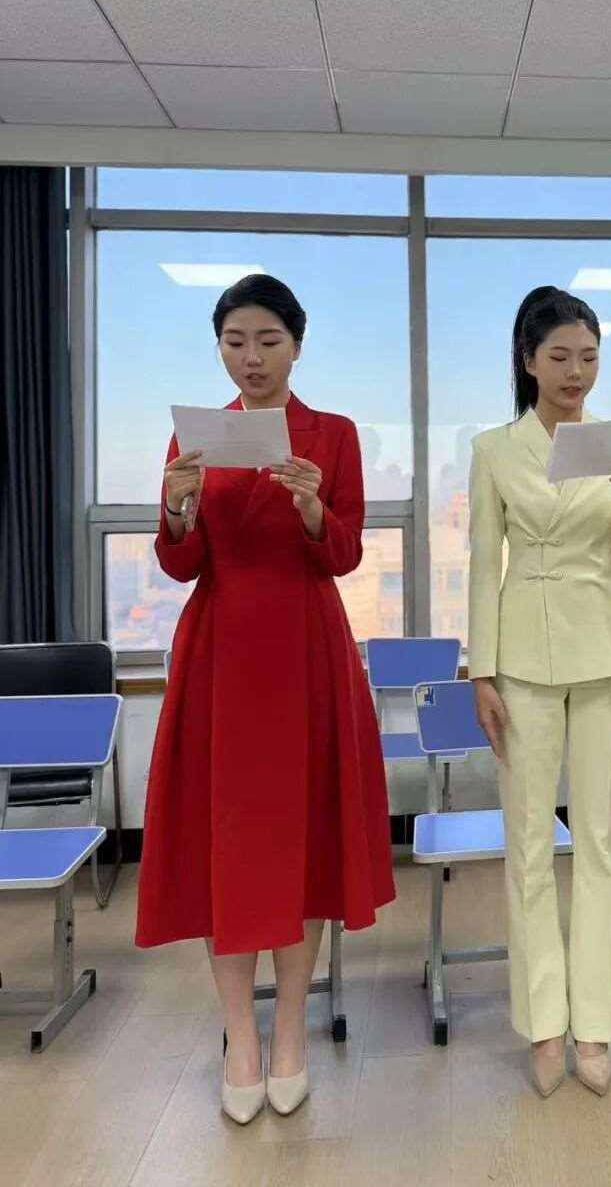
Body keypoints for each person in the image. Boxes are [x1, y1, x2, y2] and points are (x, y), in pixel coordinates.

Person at [135, 274, 394, 1124]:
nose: (252, 358)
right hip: (221, 650)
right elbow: (181, 564)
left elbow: (344, 556)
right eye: (236, 342)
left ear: (297, 347)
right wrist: (175, 513)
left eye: (268, 342)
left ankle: (289, 1032)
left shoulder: (333, 434)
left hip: (306, 646)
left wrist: (314, 508)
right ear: (220, 347)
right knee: (226, 844)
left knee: (303, 840)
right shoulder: (197, 438)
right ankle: (239, 1037)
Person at [468, 286, 611, 1098]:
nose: (576, 372)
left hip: (605, 650)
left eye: (589, 357)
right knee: (530, 847)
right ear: (528, 361)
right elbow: (484, 563)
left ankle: (595, 1029)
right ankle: (545, 1026)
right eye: (560, 357)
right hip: (522, 659)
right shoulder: (494, 449)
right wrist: (480, 671)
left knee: (602, 844)